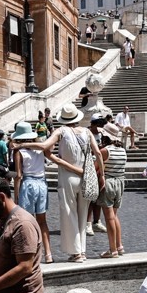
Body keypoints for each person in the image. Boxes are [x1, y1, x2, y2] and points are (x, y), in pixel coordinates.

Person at [20, 104, 102, 263]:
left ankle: (76, 252)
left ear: (64, 119)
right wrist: (101, 175)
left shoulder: (61, 131)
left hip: (67, 177)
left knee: (69, 213)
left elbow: (45, 147)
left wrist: (23, 145)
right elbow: (98, 153)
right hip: (85, 177)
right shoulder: (86, 131)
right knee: (83, 214)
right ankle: (82, 251)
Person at [11, 121, 53, 264]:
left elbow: (18, 175)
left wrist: (16, 196)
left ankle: (32, 254)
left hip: (28, 185)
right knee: (42, 221)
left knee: (27, 221)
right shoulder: (39, 149)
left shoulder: (18, 151)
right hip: (42, 184)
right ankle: (48, 254)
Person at [97, 132, 126, 258]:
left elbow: (95, 167)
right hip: (120, 182)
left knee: (109, 218)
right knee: (114, 216)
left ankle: (113, 250)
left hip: (108, 183)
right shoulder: (123, 150)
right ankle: (119, 246)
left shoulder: (105, 151)